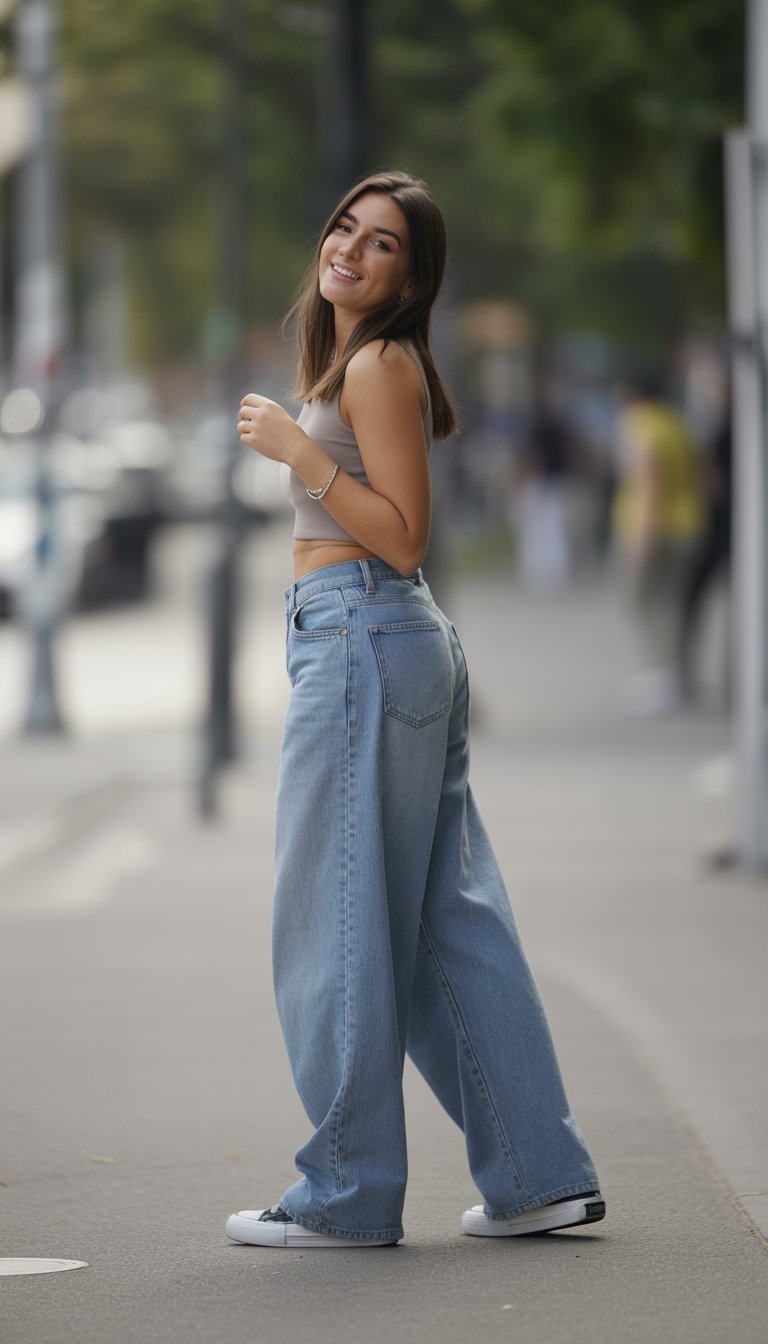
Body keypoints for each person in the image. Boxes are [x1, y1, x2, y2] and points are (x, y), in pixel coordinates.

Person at [226, 171, 604, 1249]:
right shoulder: (357, 360)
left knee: (334, 925)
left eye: (382, 241)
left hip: (362, 636)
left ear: (411, 274)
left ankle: (347, 1193)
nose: (350, 248)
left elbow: (401, 535)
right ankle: (537, 1175)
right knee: (448, 921)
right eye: (346, 226)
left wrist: (298, 454)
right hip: (380, 643)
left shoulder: (383, 364)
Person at [613, 375, 705, 714]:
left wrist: (645, 539)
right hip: (689, 525)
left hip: (654, 529)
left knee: (646, 603)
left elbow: (650, 481)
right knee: (674, 605)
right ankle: (678, 675)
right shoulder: (676, 423)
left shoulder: (640, 424)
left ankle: (663, 678)